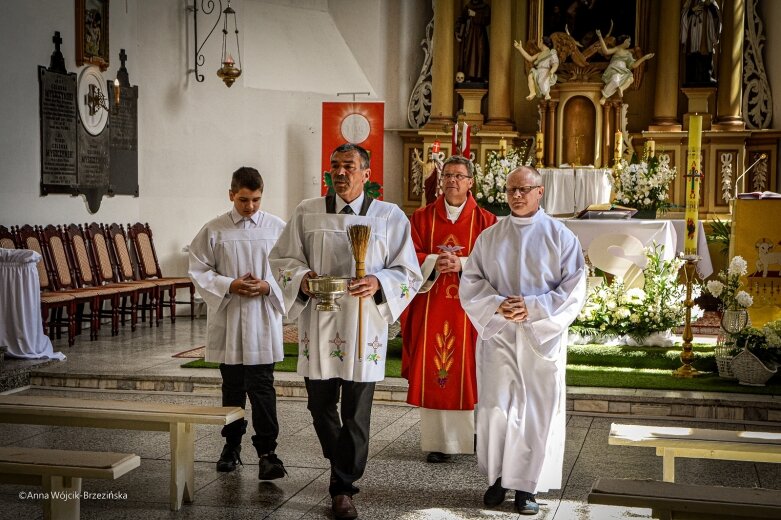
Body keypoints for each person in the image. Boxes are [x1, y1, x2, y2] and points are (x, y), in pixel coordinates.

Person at [269, 144, 422, 520]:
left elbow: (409, 271)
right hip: (319, 323)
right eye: (335, 166)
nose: (340, 172)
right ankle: (343, 462)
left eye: (349, 166)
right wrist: (302, 279)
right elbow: (282, 259)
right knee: (319, 406)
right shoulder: (308, 211)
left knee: (356, 413)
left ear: (366, 175)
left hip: (362, 326)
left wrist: (377, 280)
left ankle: (342, 487)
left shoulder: (389, 216)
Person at [459, 165, 587, 515]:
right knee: (496, 408)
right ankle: (498, 478)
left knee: (536, 413)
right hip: (499, 334)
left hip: (539, 338)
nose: (517, 195)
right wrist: (499, 305)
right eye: (511, 190)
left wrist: (530, 307)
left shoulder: (560, 236)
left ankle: (526, 488)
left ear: (540, 192)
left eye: (524, 189)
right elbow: (470, 281)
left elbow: (574, 290)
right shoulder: (491, 236)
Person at [188, 167, 288, 481]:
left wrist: (268, 286)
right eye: (244, 200)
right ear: (231, 194)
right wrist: (230, 285)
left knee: (262, 387)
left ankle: (268, 453)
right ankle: (231, 447)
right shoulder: (214, 229)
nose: (250, 207)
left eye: (256, 200)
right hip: (229, 317)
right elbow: (198, 270)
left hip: (261, 317)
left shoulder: (277, 228)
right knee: (232, 386)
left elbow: (291, 270)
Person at [401, 155, 496, 464]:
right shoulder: (421, 218)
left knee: (469, 371)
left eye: (459, 176)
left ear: (471, 183)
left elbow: (496, 264)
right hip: (431, 305)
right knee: (436, 371)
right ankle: (439, 443)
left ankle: (469, 435)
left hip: (470, 312)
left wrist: (463, 263)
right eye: (448, 176)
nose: (452, 180)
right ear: (440, 181)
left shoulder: (487, 222)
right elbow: (405, 256)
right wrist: (431, 262)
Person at [596, 31, 654, 105]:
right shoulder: (617, 49)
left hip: (623, 70)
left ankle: (621, 88)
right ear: (624, 41)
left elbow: (633, 65)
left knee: (631, 79)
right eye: (628, 41)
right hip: (614, 69)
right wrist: (600, 37)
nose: (629, 43)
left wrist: (644, 58)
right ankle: (604, 97)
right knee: (615, 80)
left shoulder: (628, 54)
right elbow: (606, 51)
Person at [681, 0, 721, 86]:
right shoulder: (690, 2)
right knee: (693, 54)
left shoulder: (711, 1)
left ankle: (707, 76)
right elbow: (683, 15)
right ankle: (692, 77)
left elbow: (717, 17)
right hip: (693, 34)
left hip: (705, 33)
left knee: (705, 53)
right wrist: (692, 10)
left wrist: (709, 5)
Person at [455, 0, 491, 83]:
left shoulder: (485, 7)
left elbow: (487, 20)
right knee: (468, 54)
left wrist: (475, 15)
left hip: (480, 35)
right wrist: (457, 31)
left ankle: (482, 76)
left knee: (481, 54)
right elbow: (461, 19)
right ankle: (468, 76)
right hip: (469, 35)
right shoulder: (468, 6)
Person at [514, 36, 559, 101]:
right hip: (538, 71)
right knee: (530, 75)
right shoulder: (539, 54)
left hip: (545, 71)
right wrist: (520, 48)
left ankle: (547, 94)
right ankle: (532, 92)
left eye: (540, 41)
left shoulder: (551, 52)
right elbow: (530, 58)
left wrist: (552, 71)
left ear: (543, 43)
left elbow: (555, 63)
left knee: (543, 82)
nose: (539, 43)